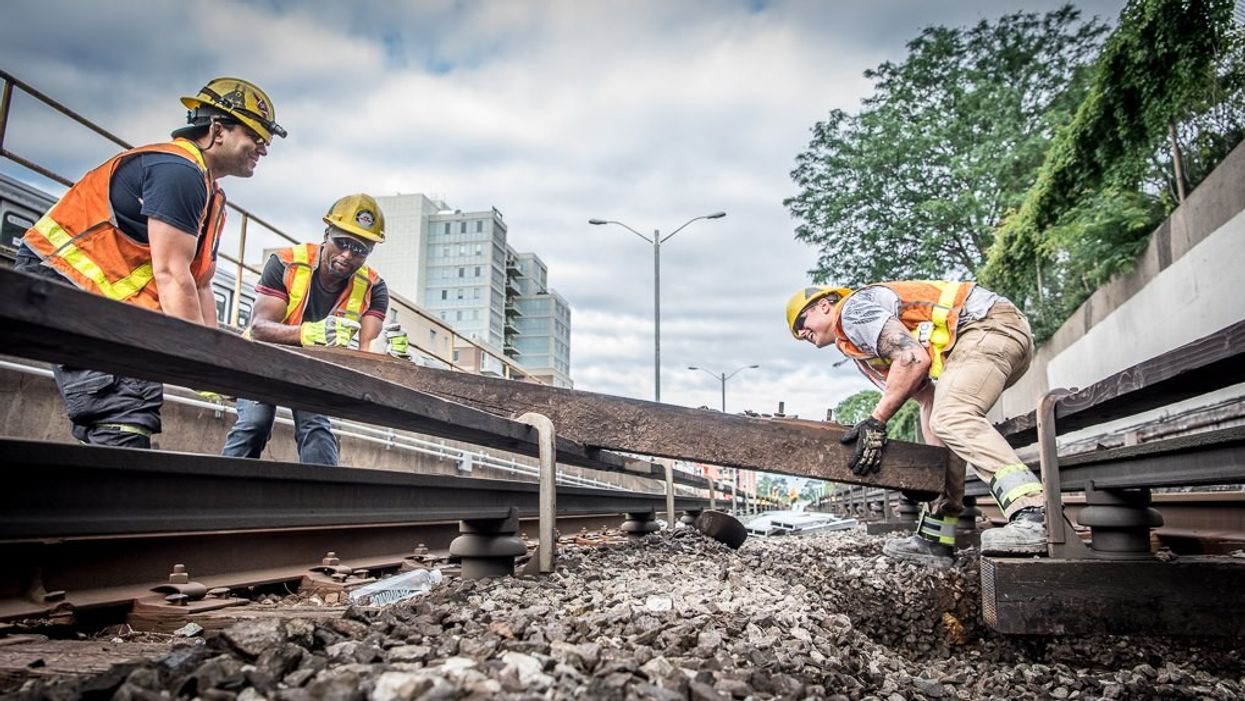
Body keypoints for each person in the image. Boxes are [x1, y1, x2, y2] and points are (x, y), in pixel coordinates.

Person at [15, 77, 285, 448]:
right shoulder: (178, 172)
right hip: (61, 282)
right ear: (217, 130)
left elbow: (199, 282)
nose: (263, 150)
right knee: (124, 403)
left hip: (102, 297)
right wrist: (199, 365)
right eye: (255, 137)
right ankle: (116, 490)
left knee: (129, 396)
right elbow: (172, 275)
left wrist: (216, 364)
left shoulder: (209, 194)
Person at [786, 282, 1047, 567]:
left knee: (953, 415)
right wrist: (931, 475)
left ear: (824, 304)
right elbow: (927, 399)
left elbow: (912, 359)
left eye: (802, 320)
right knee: (945, 422)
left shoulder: (851, 312)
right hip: (989, 338)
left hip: (989, 327)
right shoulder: (858, 349)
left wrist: (876, 421)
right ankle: (936, 538)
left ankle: (1034, 512)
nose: (801, 333)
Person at [221, 193, 408, 465]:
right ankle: (225, 489)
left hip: (315, 370)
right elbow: (260, 329)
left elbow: (368, 348)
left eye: (359, 249)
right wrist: (311, 334)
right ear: (326, 234)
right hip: (264, 360)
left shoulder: (373, 287)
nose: (347, 255)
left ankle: (324, 501)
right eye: (342, 243)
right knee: (254, 423)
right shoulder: (286, 263)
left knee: (315, 428)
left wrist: (391, 357)